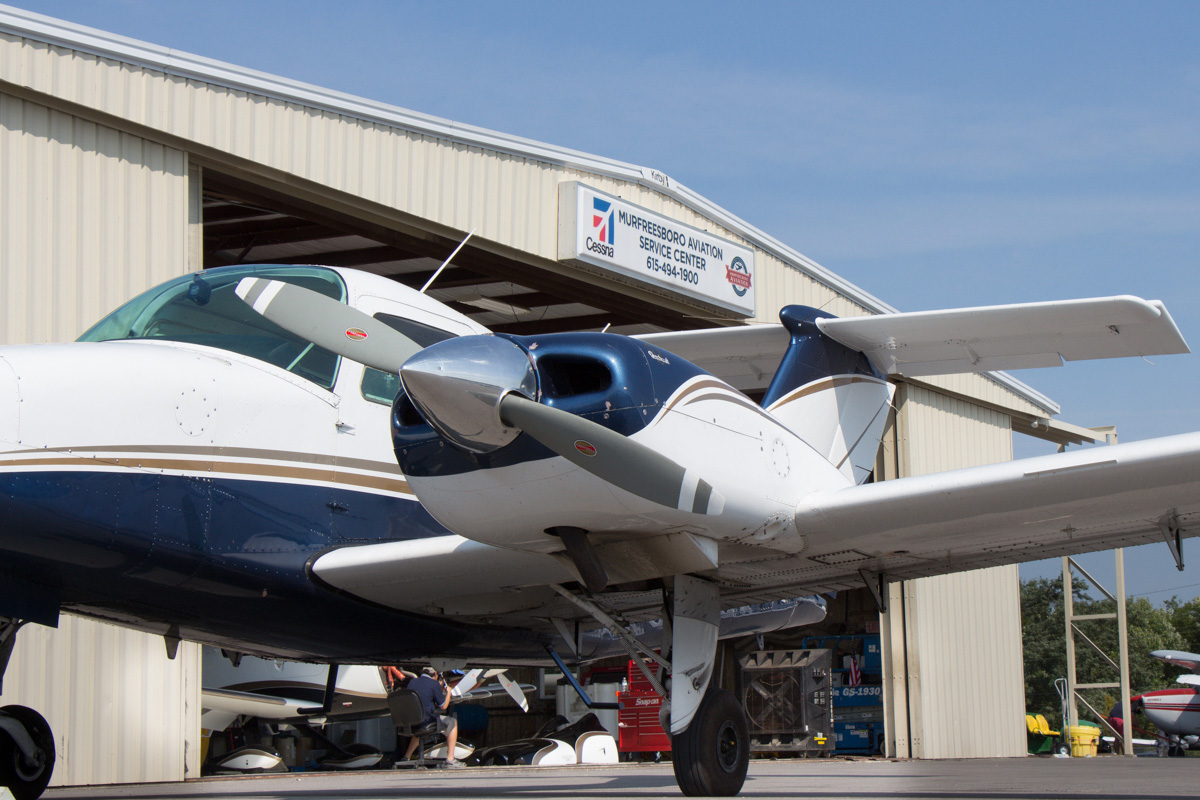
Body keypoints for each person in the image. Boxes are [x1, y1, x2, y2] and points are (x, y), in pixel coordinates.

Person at [402, 666, 462, 767]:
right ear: (434, 674)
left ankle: (407, 756)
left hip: (412, 721)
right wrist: (449, 692)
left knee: (419, 729)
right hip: (427, 721)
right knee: (452, 722)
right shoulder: (433, 684)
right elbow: (443, 706)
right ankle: (450, 758)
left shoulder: (412, 682)